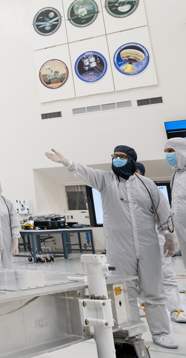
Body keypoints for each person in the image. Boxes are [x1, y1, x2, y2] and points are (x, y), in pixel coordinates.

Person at [46, 146, 178, 349]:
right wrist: (65, 161)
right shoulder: (105, 180)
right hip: (119, 247)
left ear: (132, 160)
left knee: (154, 291)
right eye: (115, 156)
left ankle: (160, 333)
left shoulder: (147, 184)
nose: (117, 160)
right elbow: (85, 171)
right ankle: (133, 332)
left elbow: (163, 211)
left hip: (149, 245)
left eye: (122, 157)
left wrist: (170, 237)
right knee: (125, 292)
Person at [136, 163, 186, 323]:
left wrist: (171, 240)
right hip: (134, 241)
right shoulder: (121, 193)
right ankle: (142, 304)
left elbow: (166, 216)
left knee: (166, 275)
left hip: (157, 239)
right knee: (138, 275)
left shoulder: (153, 191)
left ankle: (175, 310)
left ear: (139, 172)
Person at [167, 138, 186, 270]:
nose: (168, 155)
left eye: (171, 151)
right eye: (166, 151)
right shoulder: (175, 175)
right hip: (181, 229)